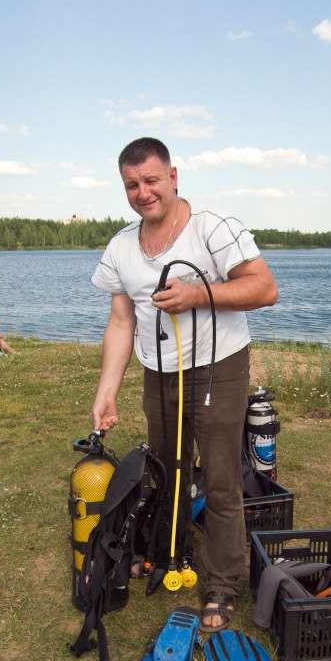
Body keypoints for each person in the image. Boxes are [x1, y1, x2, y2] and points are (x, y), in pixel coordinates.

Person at [90, 137, 278, 631]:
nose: (142, 192)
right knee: (165, 471)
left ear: (174, 176)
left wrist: (198, 294)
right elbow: (120, 323)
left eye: (151, 180)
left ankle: (222, 584)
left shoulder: (214, 229)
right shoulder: (121, 246)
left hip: (219, 367)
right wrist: (106, 389)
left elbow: (264, 287)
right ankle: (169, 555)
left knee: (219, 480)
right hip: (159, 374)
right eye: (132, 184)